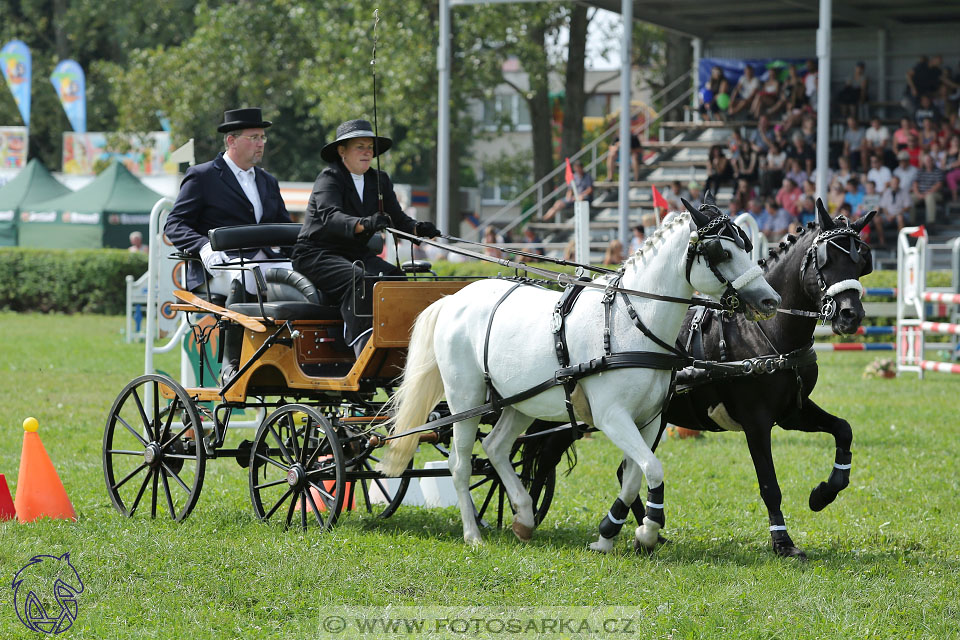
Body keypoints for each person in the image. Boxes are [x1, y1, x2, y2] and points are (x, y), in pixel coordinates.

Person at [165, 108, 294, 382]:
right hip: (218, 269)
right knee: (247, 277)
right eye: (254, 137)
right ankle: (231, 362)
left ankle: (292, 357)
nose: (260, 143)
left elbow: (284, 229)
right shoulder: (202, 176)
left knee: (303, 279)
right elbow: (174, 224)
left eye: (262, 137)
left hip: (266, 262)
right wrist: (203, 246)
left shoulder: (268, 181)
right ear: (231, 141)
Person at [291, 118, 439, 357]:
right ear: (342, 151)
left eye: (370, 147)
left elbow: (398, 220)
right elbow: (331, 217)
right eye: (360, 146)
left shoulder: (379, 180)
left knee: (396, 280)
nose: (367, 152)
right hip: (316, 254)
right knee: (360, 280)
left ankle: (402, 350)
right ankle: (362, 348)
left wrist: (418, 229)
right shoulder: (329, 178)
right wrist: (364, 224)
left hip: (355, 253)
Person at [911, 152, 944, 224]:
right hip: (920, 193)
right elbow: (915, 183)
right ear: (924, 162)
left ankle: (930, 222)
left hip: (934, 194)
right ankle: (911, 222)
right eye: (927, 161)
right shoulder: (919, 171)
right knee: (910, 198)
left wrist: (927, 193)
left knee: (929, 197)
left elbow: (939, 184)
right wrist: (917, 194)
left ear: (933, 161)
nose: (928, 162)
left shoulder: (938, 171)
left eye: (930, 160)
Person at [876, 176, 910, 244]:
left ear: (899, 183)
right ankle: (881, 241)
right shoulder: (887, 192)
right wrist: (887, 215)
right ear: (890, 184)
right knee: (877, 219)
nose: (894, 184)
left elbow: (907, 207)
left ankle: (901, 242)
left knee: (899, 218)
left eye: (896, 183)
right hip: (888, 215)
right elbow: (883, 207)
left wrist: (895, 215)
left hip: (900, 215)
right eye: (893, 183)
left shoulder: (904, 192)